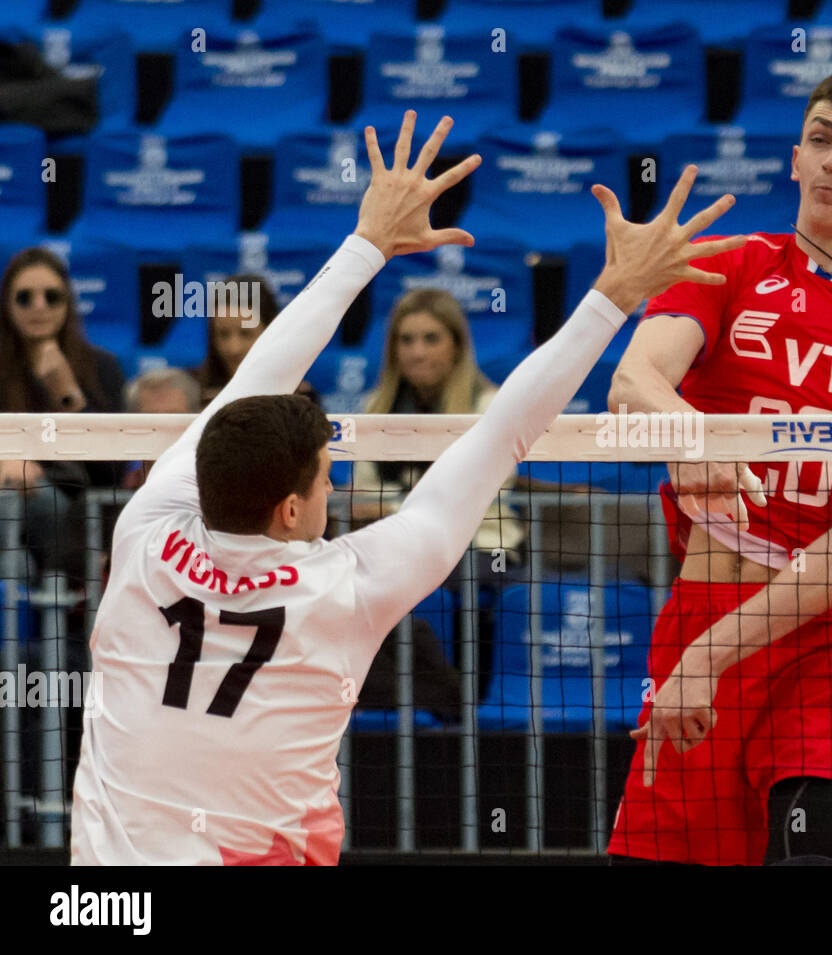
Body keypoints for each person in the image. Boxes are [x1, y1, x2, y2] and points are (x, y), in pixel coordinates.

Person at [69, 110, 745, 865]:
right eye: (329, 478)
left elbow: (254, 384)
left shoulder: (144, 532)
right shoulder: (346, 589)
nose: (335, 489)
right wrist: (613, 294)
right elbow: (503, 435)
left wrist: (366, 245)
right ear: (291, 506)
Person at [605, 71, 832, 866]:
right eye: (819, 139)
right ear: (795, 159)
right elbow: (634, 383)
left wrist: (711, 656)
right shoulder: (723, 263)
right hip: (699, 604)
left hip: (829, 636)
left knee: (806, 857)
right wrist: (694, 435)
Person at [349, 288, 523, 563]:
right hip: (395, 549)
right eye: (406, 340)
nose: (417, 352)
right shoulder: (375, 408)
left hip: (481, 549)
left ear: (457, 345)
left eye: (431, 339)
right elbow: (364, 494)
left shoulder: (489, 407)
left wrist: (390, 506)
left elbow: (470, 499)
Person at [0, 246, 126, 579]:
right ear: (7, 306)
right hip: (5, 497)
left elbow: (111, 476)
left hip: (78, 510)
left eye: (51, 297)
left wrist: (69, 396)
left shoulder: (102, 367)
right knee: (15, 566)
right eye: (25, 298)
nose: (38, 306)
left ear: (67, 303)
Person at [190, 272, 319, 408]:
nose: (234, 348)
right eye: (223, 334)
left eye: (246, 334)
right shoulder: (189, 394)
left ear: (271, 332)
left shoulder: (301, 400)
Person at [122, 367, 203, 488]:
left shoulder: (215, 480)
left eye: (173, 416)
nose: (163, 427)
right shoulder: (119, 477)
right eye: (152, 417)